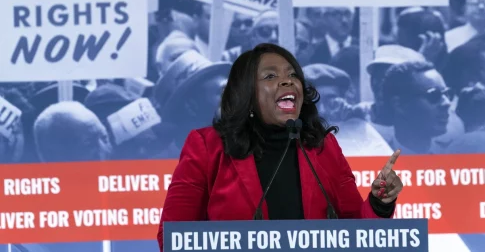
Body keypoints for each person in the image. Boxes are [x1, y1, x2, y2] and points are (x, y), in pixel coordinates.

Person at [156, 43, 404, 251]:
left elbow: (355, 232)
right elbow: (172, 238)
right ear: (247, 94)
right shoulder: (207, 147)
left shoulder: (322, 146)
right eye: (271, 76)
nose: (287, 82)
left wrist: (379, 203)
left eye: (293, 75)